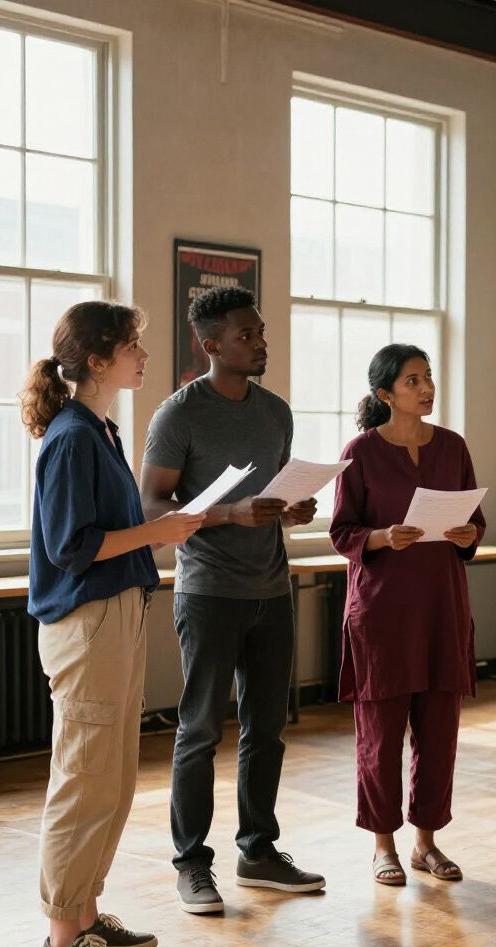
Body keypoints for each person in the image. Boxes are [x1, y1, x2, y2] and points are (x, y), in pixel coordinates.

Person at [21, 301, 204, 947]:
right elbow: (74, 548)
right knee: (84, 781)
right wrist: (162, 532)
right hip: (88, 624)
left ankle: (86, 914)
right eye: (133, 346)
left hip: (115, 616)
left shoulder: (100, 430)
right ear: (98, 361)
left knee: (113, 781)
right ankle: (62, 937)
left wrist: (165, 530)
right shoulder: (72, 437)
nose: (144, 356)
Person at [140, 286, 325, 913]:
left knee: (266, 729)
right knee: (198, 732)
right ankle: (192, 864)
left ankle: (259, 851)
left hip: (273, 590)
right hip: (209, 593)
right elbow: (151, 507)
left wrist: (293, 509)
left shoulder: (276, 412)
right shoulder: (178, 415)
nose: (261, 342)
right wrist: (230, 513)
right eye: (247, 336)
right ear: (209, 344)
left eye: (262, 332)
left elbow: (272, 499)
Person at [329, 344, 485, 886]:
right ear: (385, 394)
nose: (426, 388)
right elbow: (341, 531)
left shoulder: (453, 448)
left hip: (443, 606)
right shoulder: (362, 452)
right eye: (413, 380)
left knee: (439, 733)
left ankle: (426, 843)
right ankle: (383, 846)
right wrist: (381, 536)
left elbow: (474, 521)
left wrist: (469, 535)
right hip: (382, 614)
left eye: (428, 377)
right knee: (380, 734)